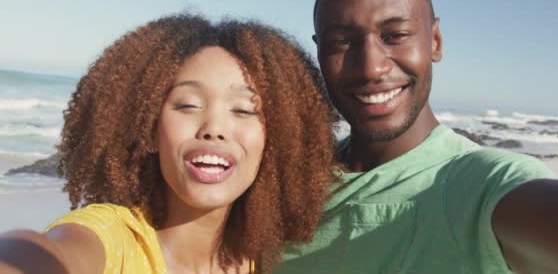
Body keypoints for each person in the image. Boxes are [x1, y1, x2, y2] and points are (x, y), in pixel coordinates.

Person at [274, 0, 558, 273]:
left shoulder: (476, 185)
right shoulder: (292, 181)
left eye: (396, 36)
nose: (370, 68)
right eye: (341, 42)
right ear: (318, 50)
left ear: (435, 41)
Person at [0, 15, 338, 273]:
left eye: (244, 110)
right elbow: (44, 254)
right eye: (189, 104)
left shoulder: (265, 260)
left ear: (276, 140)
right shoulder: (112, 240)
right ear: (148, 129)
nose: (214, 128)